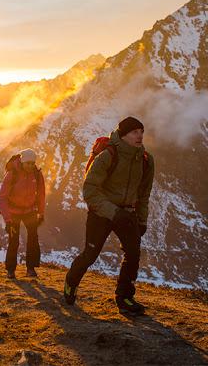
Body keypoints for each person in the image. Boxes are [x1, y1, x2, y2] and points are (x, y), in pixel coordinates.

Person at [64, 116, 155, 315]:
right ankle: (71, 282)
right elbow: (90, 190)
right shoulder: (108, 155)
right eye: (134, 132)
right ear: (123, 135)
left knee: (133, 254)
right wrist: (113, 212)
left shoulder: (146, 160)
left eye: (141, 132)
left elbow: (144, 194)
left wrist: (141, 220)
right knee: (90, 255)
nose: (139, 136)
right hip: (102, 214)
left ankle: (125, 299)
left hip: (128, 212)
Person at [0, 148, 45, 279]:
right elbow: (2, 198)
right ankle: (10, 270)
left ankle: (31, 268)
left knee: (33, 239)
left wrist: (40, 213)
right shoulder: (12, 174)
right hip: (13, 212)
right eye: (28, 163)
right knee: (14, 240)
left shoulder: (36, 174)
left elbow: (41, 194)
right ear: (22, 161)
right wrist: (7, 219)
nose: (31, 166)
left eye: (33, 163)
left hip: (30, 211)